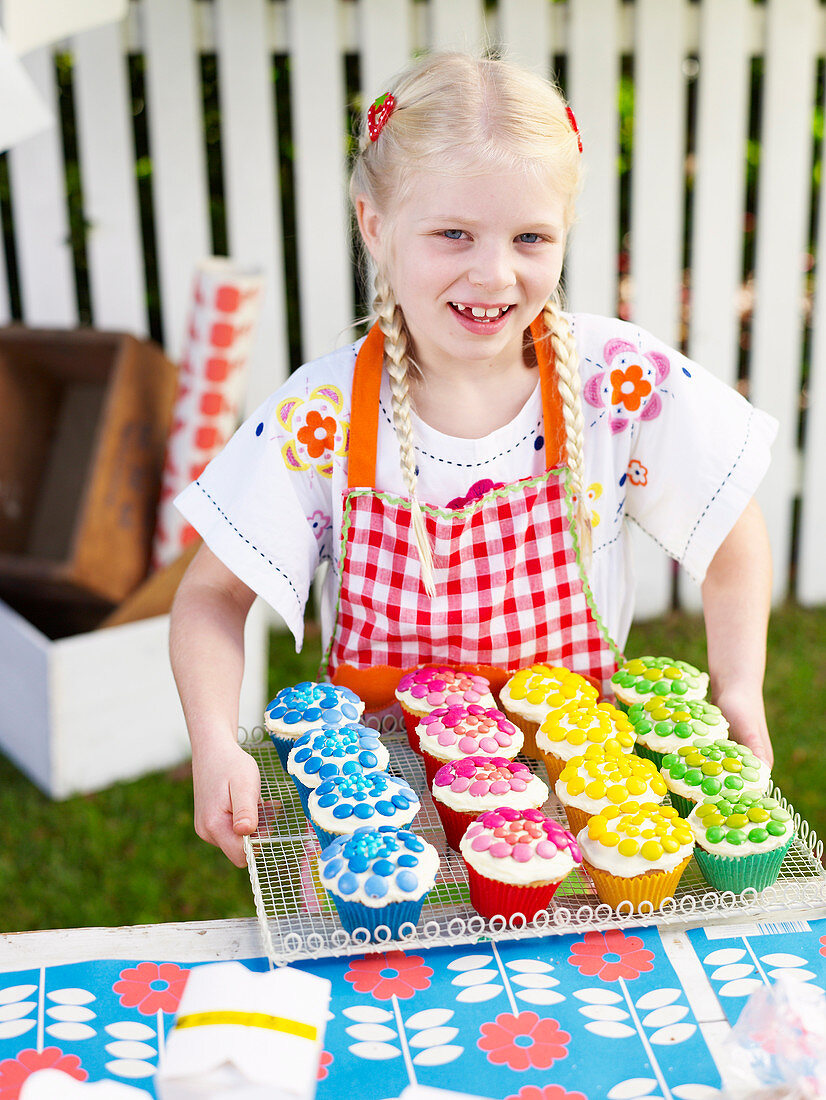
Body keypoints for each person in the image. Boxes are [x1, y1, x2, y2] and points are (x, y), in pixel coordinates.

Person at [169, 51, 776, 867]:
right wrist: (214, 743)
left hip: (583, 809)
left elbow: (732, 536)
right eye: (453, 233)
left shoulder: (619, 383)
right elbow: (208, 599)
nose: (493, 274)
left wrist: (737, 683)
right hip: (378, 818)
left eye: (531, 237)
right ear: (373, 225)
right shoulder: (323, 415)